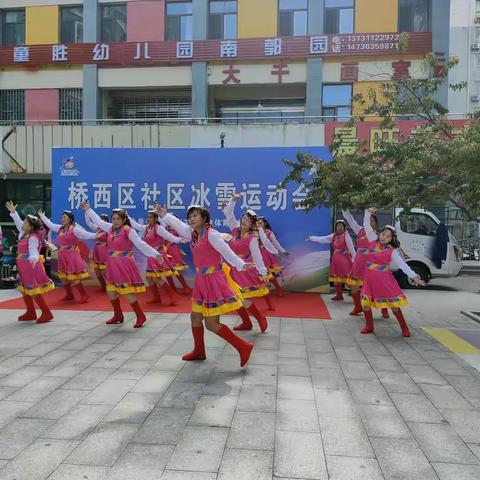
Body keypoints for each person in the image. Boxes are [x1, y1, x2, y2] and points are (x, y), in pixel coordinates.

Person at [156, 204, 254, 367]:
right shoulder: (193, 234)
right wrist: (165, 216)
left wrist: (241, 264)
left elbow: (226, 252)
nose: (191, 219)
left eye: (195, 215)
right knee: (195, 317)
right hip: (201, 280)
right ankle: (199, 351)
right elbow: (179, 225)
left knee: (211, 324)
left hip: (213, 280)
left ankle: (243, 347)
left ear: (204, 218)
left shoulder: (212, 234)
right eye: (190, 217)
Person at [81, 203, 166, 328]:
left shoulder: (128, 231)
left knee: (126, 292)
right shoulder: (110, 229)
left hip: (123, 264)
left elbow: (141, 244)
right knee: (111, 291)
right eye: (113, 218)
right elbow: (98, 221)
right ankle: (118, 315)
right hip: (112, 264)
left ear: (124, 219)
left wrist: (155, 254)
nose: (115, 221)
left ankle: (140, 315)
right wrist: (88, 210)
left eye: (118, 219)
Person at [360, 208, 426, 337]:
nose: (384, 237)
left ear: (391, 239)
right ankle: (369, 326)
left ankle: (404, 327)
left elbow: (403, 265)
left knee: (393, 306)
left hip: (384, 280)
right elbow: (367, 225)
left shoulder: (393, 251)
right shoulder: (372, 240)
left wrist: (415, 277)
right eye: (383, 234)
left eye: (388, 236)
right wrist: (367, 213)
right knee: (366, 304)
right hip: (369, 279)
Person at [223, 195, 270, 332]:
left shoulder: (252, 238)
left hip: (245, 270)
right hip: (233, 268)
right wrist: (232, 201)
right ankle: (246, 322)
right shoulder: (234, 229)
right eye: (243, 218)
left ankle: (260, 317)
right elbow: (229, 214)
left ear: (252, 225)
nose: (244, 221)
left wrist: (263, 272)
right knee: (235, 298)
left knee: (242, 298)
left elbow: (257, 257)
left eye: (248, 220)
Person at [5, 201, 55, 323]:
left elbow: (34, 251)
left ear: (31, 227)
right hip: (24, 266)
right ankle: (31, 312)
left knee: (33, 290)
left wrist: (33, 259)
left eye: (26, 223)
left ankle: (47, 313)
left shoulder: (33, 238)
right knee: (24, 289)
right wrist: (13, 212)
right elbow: (18, 223)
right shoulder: (24, 234)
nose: (23, 224)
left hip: (31, 266)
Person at [39, 210, 96, 303]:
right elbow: (50, 225)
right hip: (62, 255)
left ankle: (84, 295)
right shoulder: (60, 228)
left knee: (74, 277)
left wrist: (96, 235)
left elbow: (86, 235)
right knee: (62, 277)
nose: (62, 219)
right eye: (62, 217)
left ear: (70, 219)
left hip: (72, 255)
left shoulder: (75, 229)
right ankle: (69, 295)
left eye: (65, 217)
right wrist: (42, 216)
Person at [130, 212, 186, 306]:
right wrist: (127, 216)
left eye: (150, 217)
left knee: (156, 278)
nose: (148, 219)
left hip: (158, 255)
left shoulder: (158, 228)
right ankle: (157, 298)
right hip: (150, 256)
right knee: (148, 277)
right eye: (148, 217)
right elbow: (137, 226)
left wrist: (179, 240)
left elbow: (169, 236)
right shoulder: (147, 228)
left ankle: (173, 295)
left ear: (156, 219)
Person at [343, 209, 389, 319]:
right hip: (359, 263)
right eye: (368, 220)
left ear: (376, 223)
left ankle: (384, 308)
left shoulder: (379, 235)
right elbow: (350, 220)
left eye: (372, 220)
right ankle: (358, 307)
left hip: (372, 264)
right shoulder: (360, 230)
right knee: (354, 286)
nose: (370, 222)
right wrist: (344, 209)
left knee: (378, 288)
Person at [305, 220, 355, 301]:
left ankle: (356, 299)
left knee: (348, 280)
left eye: (341, 226)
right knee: (335, 279)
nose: (340, 227)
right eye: (338, 226)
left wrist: (354, 259)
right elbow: (323, 239)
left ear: (344, 227)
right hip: (335, 260)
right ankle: (339, 295)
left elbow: (351, 249)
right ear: (336, 227)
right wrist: (311, 238)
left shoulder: (346, 236)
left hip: (344, 261)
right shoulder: (334, 236)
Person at [257, 216, 289, 298]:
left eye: (261, 223)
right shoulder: (255, 233)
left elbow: (275, 243)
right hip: (258, 255)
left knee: (270, 275)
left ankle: (278, 289)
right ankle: (263, 292)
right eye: (258, 223)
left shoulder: (269, 233)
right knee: (259, 274)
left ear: (265, 223)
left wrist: (283, 251)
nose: (259, 224)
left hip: (268, 256)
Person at [161, 218, 192, 295]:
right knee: (167, 271)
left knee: (175, 270)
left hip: (172, 250)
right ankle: (173, 289)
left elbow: (179, 238)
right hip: (164, 250)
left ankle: (185, 286)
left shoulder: (176, 229)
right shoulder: (161, 228)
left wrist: (169, 244)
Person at [85, 212, 109, 291]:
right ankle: (103, 285)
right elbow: (88, 222)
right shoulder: (97, 228)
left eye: (103, 220)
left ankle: (110, 286)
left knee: (105, 271)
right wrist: (86, 212)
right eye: (100, 220)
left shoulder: (109, 230)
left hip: (105, 252)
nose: (101, 222)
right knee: (97, 271)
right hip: (97, 251)